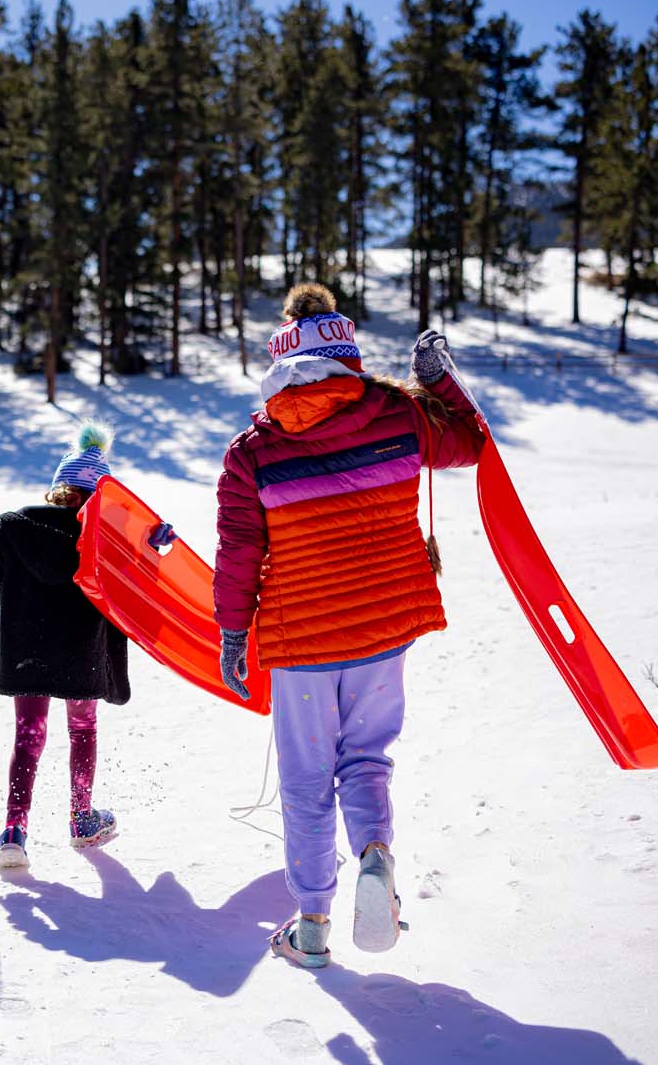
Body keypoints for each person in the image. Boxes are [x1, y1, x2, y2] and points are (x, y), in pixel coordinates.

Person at [213, 283, 484, 968]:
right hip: (382, 627)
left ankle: (310, 927)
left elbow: (240, 552)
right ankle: (373, 857)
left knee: (306, 780)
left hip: (300, 636)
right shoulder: (396, 413)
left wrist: (232, 632)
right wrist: (436, 383)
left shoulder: (253, 450)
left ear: (282, 351)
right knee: (364, 759)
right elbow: (468, 444)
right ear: (343, 346)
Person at [0, 422, 137, 870]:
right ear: (98, 497)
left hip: (27, 649)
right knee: (82, 731)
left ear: (58, 488)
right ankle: (81, 818)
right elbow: (138, 584)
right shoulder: (104, 538)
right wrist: (157, 546)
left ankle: (14, 832)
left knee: (29, 737)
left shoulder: (15, 527)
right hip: (82, 653)